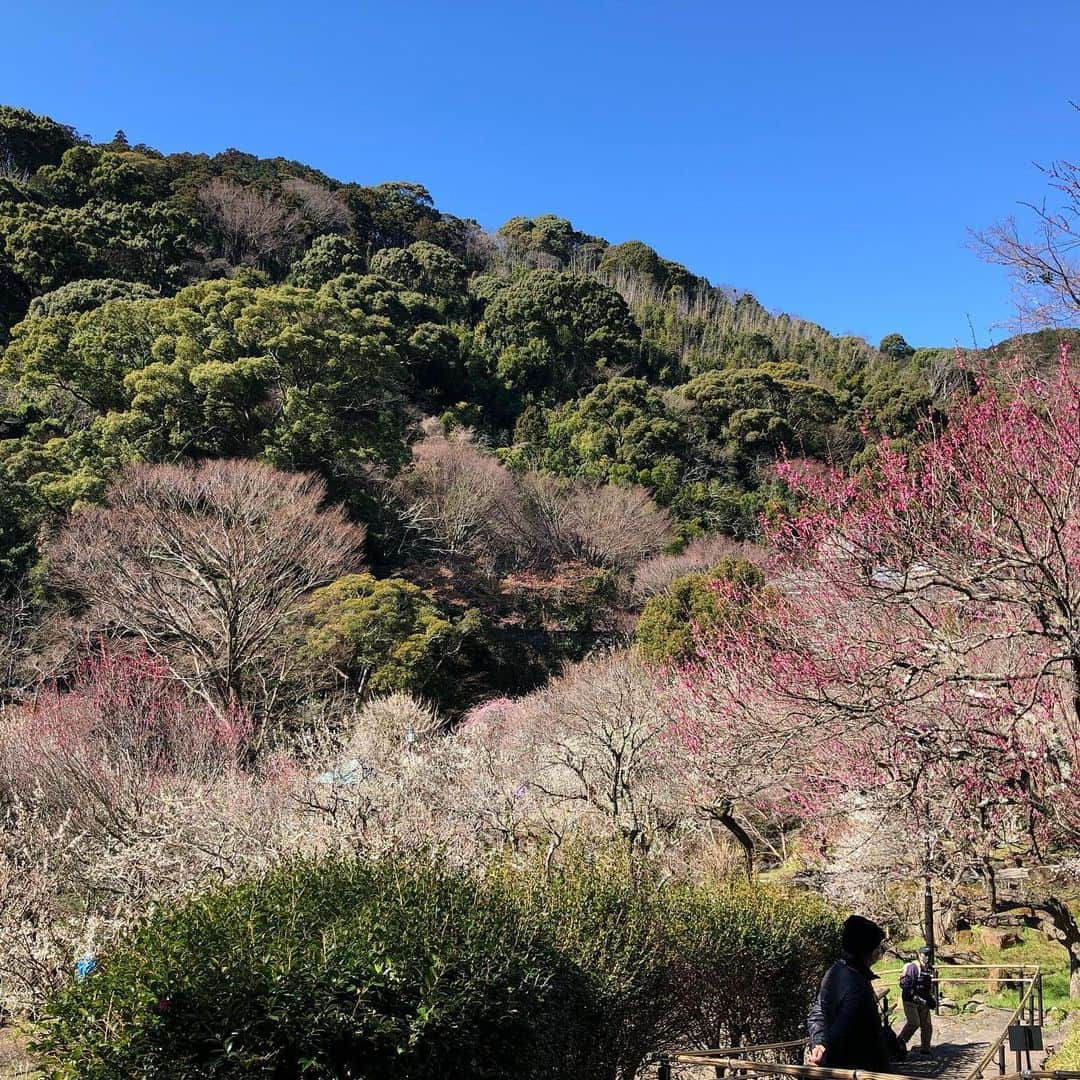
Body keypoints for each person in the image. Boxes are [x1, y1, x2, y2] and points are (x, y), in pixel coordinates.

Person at [807, 914, 890, 1072]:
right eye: (878, 948)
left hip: (841, 1067)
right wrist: (824, 1053)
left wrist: (818, 1044)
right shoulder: (856, 985)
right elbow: (841, 1032)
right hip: (857, 1069)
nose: (879, 952)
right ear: (869, 951)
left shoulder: (833, 972)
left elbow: (817, 1014)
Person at [898, 946, 937, 1059]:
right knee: (914, 1022)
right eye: (924, 955)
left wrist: (930, 1000)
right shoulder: (913, 968)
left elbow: (928, 987)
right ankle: (900, 1042)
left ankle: (925, 1049)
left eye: (929, 955)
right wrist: (914, 995)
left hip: (923, 1000)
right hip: (910, 1000)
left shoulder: (929, 969)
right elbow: (905, 985)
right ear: (919, 955)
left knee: (927, 1026)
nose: (926, 957)